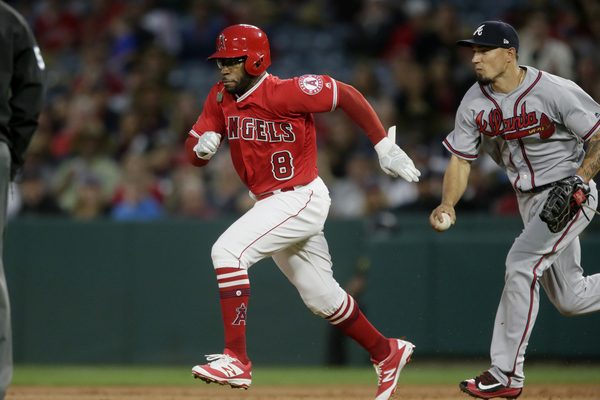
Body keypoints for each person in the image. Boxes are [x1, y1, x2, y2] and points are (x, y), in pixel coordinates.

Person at [185, 24, 420, 400]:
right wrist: (200, 148)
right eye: (221, 61)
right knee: (321, 297)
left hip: (300, 195)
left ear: (255, 60)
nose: (224, 67)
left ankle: (237, 359)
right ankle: (386, 351)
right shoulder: (219, 97)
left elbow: (346, 94)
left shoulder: (286, 91)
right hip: (271, 202)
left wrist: (382, 145)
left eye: (233, 60)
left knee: (227, 252)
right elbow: (193, 151)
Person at [429, 21, 600, 399]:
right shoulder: (473, 102)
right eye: (473, 51)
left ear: (510, 54)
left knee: (521, 263)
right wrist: (448, 203)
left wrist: (580, 179)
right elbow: (461, 160)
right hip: (529, 201)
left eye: (484, 50)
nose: (475, 58)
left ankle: (506, 374)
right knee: (571, 298)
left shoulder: (554, 90)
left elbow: (599, 135)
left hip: (569, 193)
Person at [0, 1, 45, 398]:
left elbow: (32, 87)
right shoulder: (9, 20)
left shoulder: (10, 20)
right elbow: (32, 87)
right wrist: (11, 150)